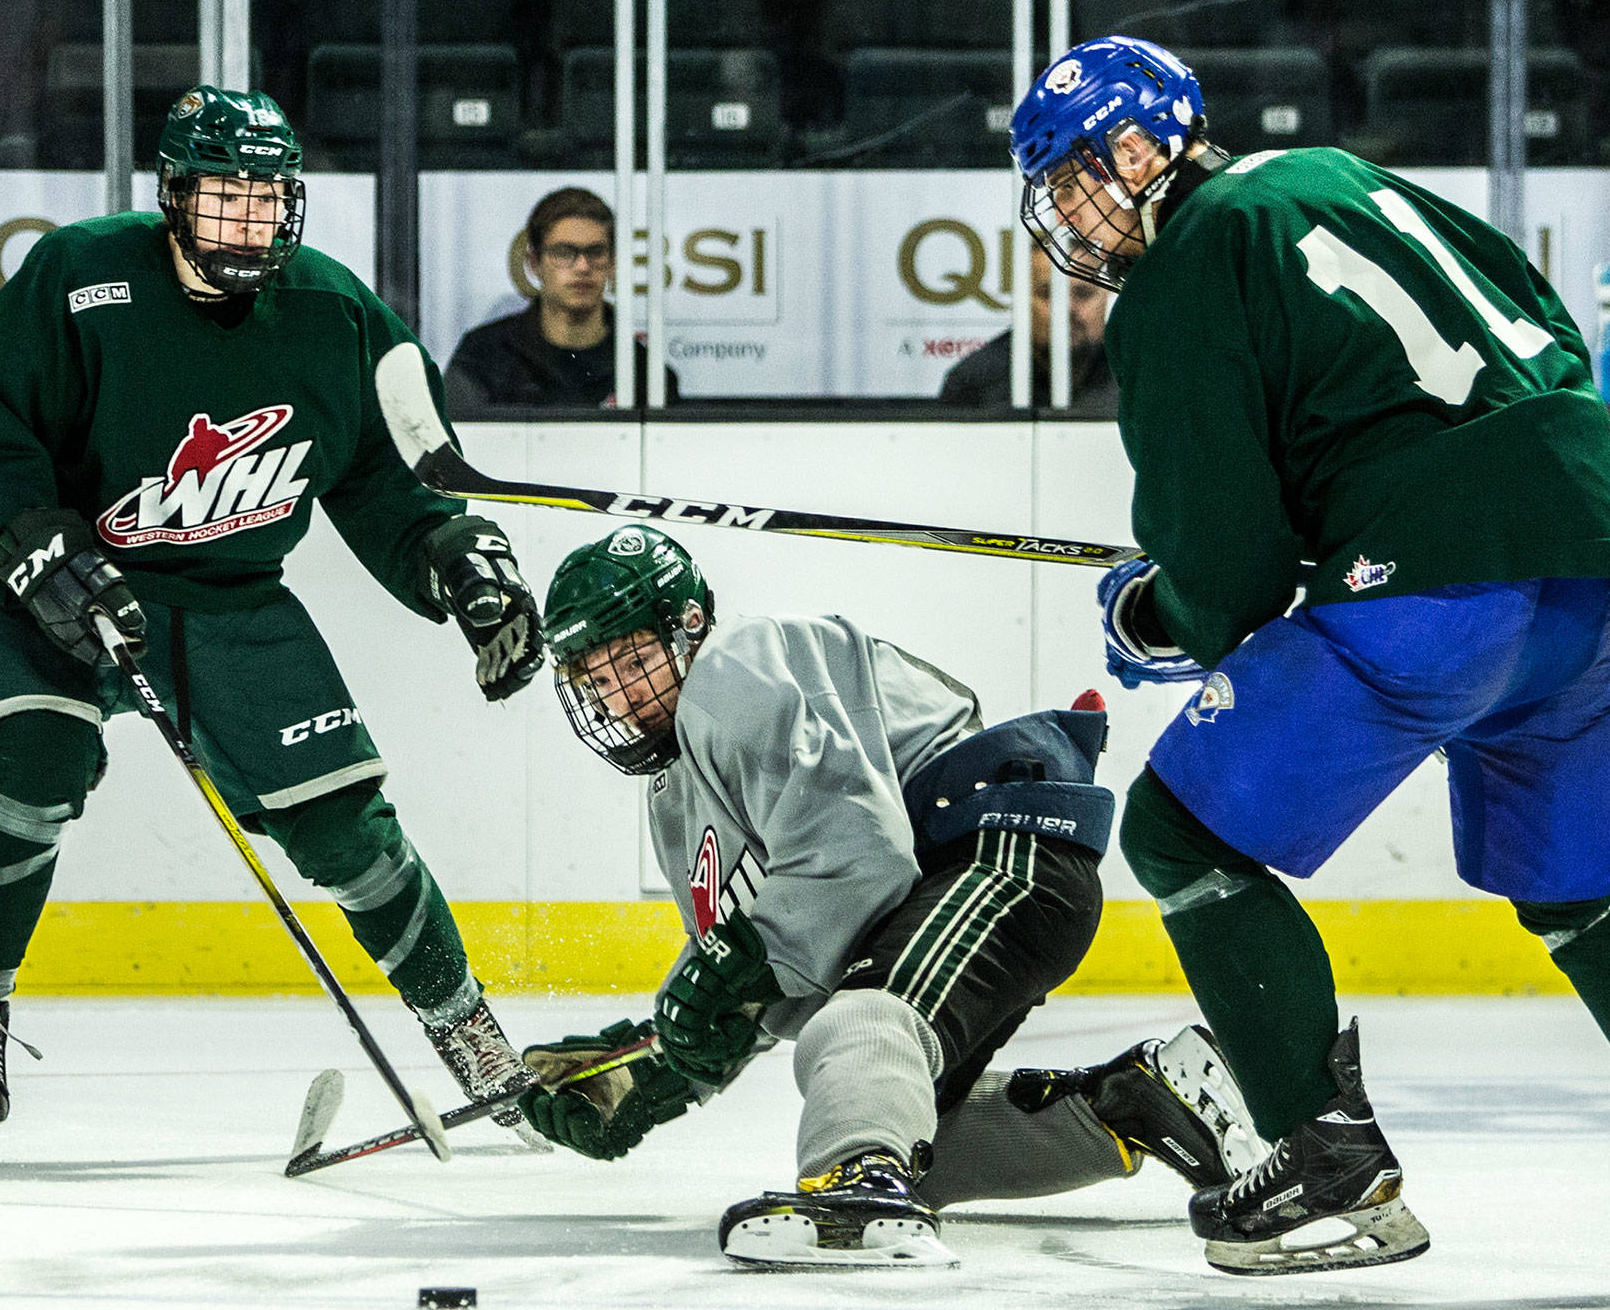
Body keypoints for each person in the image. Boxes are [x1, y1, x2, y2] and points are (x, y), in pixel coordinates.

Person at [1006, 37, 1610, 1287]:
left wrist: (1158, 611)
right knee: (1585, 881)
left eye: (1070, 179)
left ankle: (1325, 1161)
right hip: (1574, 549)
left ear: (1135, 149)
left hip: (1431, 592)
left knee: (1178, 832)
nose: (1065, 213)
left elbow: (1224, 562)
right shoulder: (1331, 174)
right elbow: (1532, 323)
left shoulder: (1180, 270)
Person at [0, 86, 547, 1167]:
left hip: (228, 596)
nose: (248, 224)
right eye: (223, 200)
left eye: (267, 201)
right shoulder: (80, 276)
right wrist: (40, 548)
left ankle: (465, 1024)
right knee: (32, 771)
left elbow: (383, 476)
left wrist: (453, 560)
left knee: (349, 829)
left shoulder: (332, 312)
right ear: (172, 197)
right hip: (57, 585)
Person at [517, 525, 1264, 1267]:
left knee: (864, 1027)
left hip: (1001, 846)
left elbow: (857, 854)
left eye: (633, 660)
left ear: (687, 628)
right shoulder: (675, 795)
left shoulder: (733, 668)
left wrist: (721, 979)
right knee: (909, 1130)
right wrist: (646, 1071)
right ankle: (1140, 1102)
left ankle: (858, 1187)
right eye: (594, 677)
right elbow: (755, 964)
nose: (618, 693)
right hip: (959, 874)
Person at [443, 187, 678, 412]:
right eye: (564, 253)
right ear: (534, 263)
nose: (583, 267)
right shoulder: (483, 356)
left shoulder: (646, 373)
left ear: (613, 263)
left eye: (596, 252)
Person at [938, 244, 1115, 415]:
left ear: (1106, 297)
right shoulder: (973, 381)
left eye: (1083, 293)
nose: (1067, 307)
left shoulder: (1134, 372)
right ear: (1022, 299)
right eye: (1047, 293)